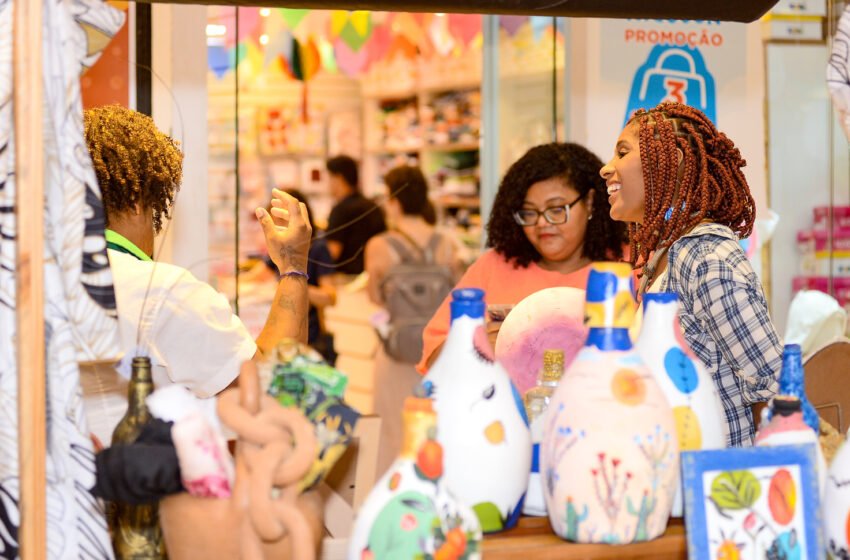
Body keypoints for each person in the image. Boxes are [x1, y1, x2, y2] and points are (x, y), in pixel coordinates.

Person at [82, 104, 310, 442]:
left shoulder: (32, 280)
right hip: (144, 473)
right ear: (135, 200)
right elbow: (267, 389)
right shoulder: (159, 291)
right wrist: (293, 266)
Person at [599, 101, 781, 447]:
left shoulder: (706, 258)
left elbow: (771, 387)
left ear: (676, 162)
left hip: (718, 475)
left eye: (622, 153)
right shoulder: (666, 255)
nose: (606, 169)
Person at [418, 142, 627, 371]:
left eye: (556, 209)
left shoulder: (627, 264)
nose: (542, 223)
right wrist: (476, 344)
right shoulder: (494, 265)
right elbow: (432, 362)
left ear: (589, 202)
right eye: (529, 212)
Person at [365, 165, 464, 474]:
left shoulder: (380, 245)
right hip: (437, 350)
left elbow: (375, 296)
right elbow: (457, 293)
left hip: (395, 350)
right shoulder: (446, 243)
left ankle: (394, 490)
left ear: (394, 200)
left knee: (393, 429)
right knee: (435, 425)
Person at [325, 155, 387, 275]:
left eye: (329, 178)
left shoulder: (340, 210)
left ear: (338, 178)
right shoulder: (373, 206)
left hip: (346, 277)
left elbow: (333, 252)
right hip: (373, 274)